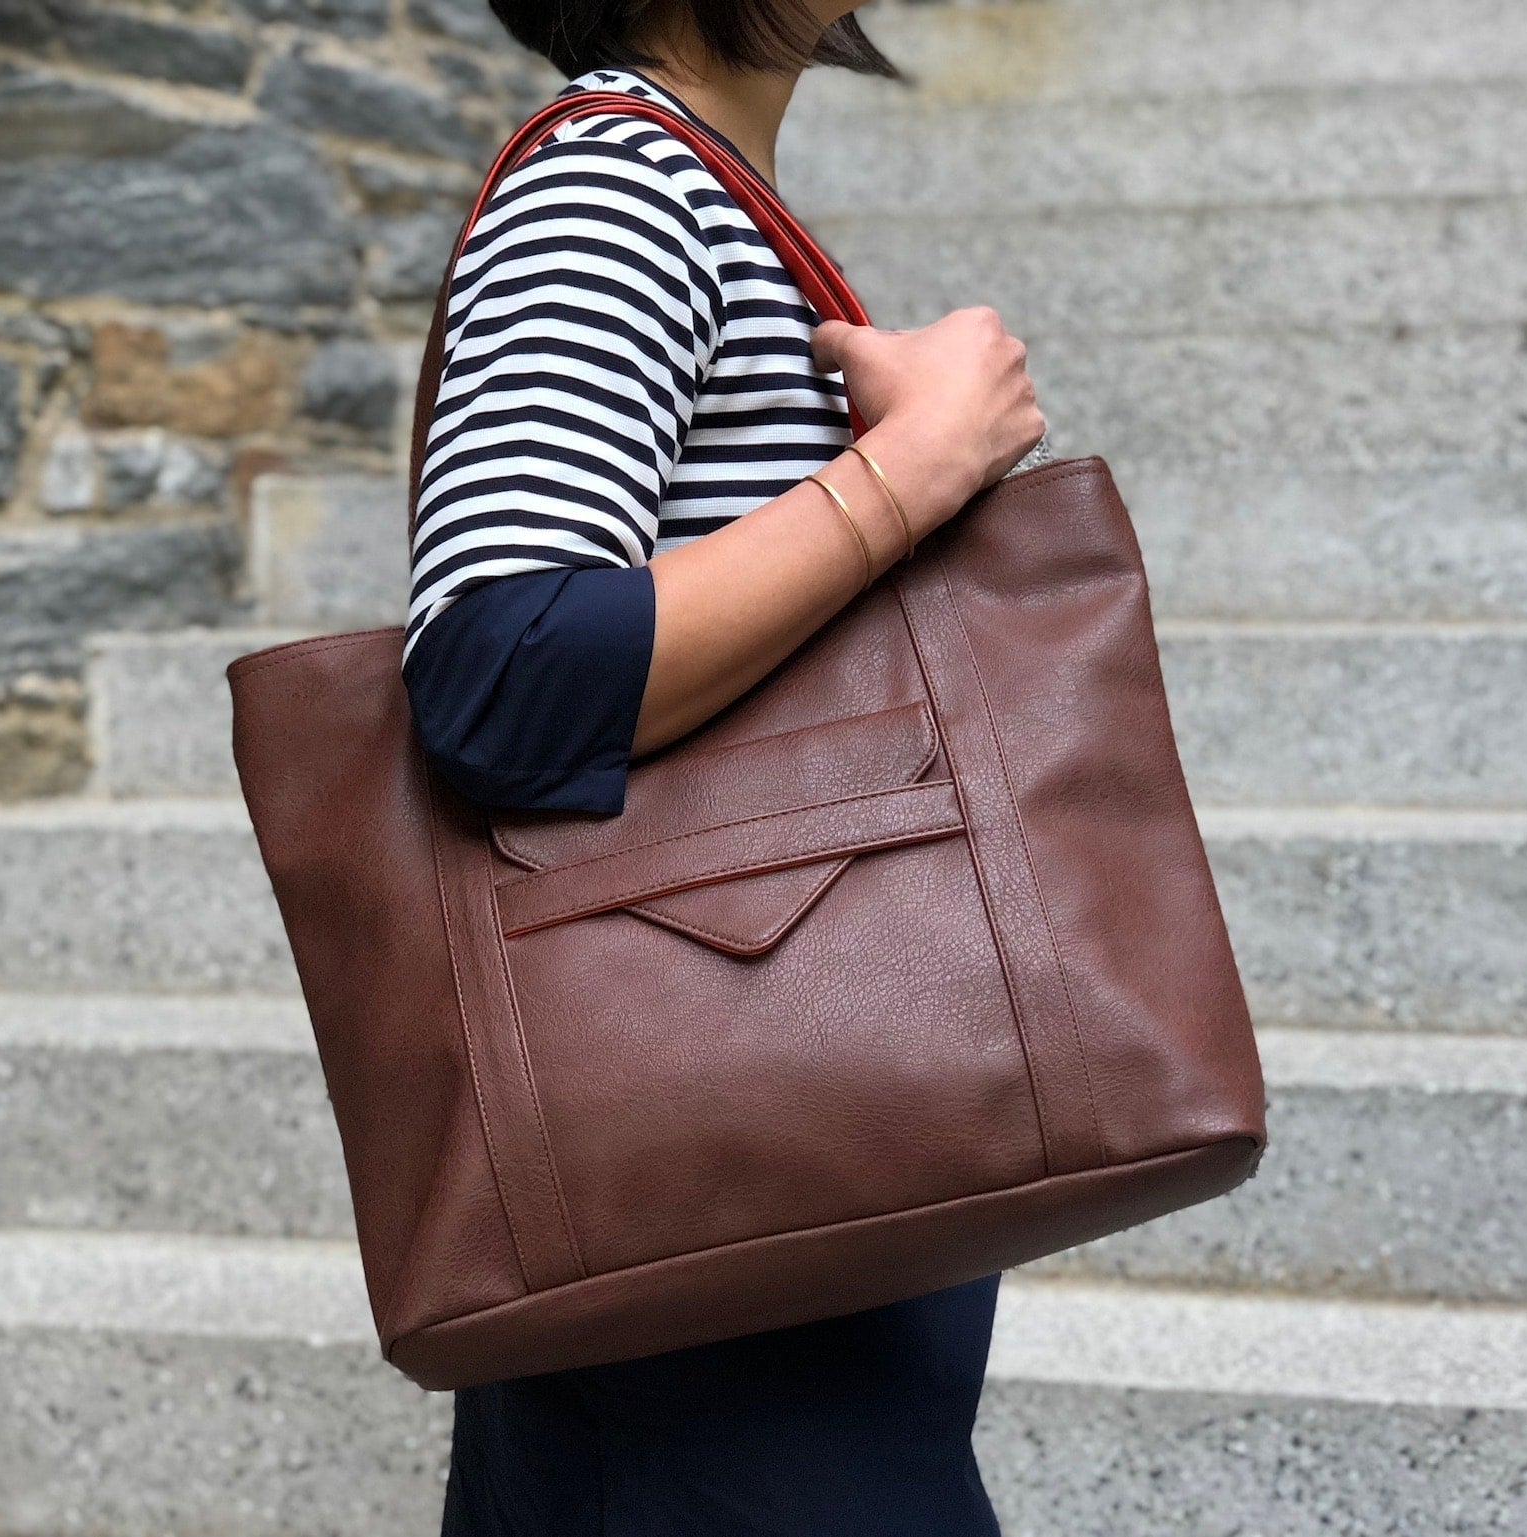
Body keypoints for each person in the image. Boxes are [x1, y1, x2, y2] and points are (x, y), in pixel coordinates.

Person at [403, 1, 1047, 1530]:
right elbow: (505, 669)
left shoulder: (694, 188)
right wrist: (916, 467)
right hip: (709, 1195)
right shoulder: (611, 190)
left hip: (781, 1158)